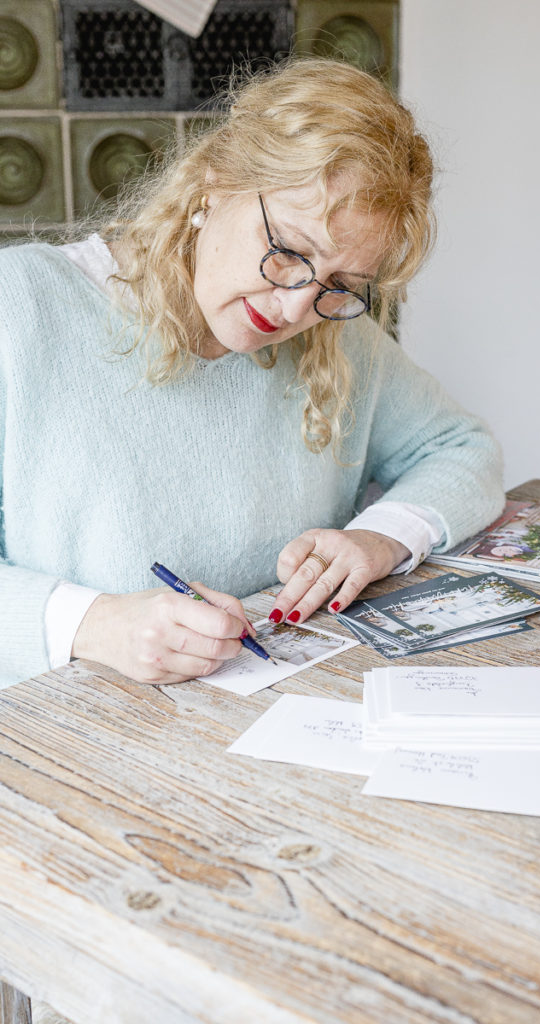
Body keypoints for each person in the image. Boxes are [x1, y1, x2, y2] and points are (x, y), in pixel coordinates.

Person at [0, 58, 505, 690]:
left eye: (342, 284)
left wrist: (381, 537)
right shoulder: (18, 307)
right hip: (68, 744)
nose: (297, 306)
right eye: (290, 251)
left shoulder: (336, 333)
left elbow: (462, 449)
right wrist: (91, 625)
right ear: (215, 184)